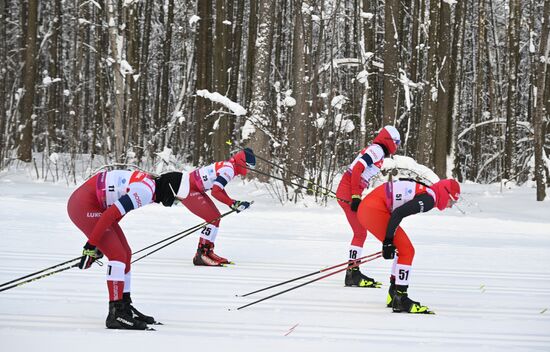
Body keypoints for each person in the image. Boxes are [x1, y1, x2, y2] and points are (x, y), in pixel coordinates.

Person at [67, 169, 185, 330]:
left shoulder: (151, 188)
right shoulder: (145, 191)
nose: (174, 203)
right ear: (169, 190)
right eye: (176, 199)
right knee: (117, 255)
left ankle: (124, 306)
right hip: (83, 204)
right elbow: (110, 214)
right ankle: (115, 313)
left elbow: (118, 212)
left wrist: (102, 242)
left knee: (125, 253)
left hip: (95, 205)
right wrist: (91, 246)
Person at [357, 178, 461, 314]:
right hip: (373, 210)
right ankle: (400, 298)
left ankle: (394, 294)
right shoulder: (429, 200)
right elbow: (398, 213)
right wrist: (388, 240)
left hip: (371, 207)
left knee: (404, 249)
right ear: (445, 193)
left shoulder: (429, 193)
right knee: (407, 251)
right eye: (451, 201)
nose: (450, 205)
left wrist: (389, 240)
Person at [336, 125, 401, 288]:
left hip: (348, 191)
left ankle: (353, 271)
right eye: (397, 142)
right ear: (389, 140)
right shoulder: (377, 150)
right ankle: (352, 273)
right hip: (348, 192)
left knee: (360, 232)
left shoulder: (377, 150)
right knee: (360, 233)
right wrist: (355, 196)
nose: (398, 146)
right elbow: (358, 168)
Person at [174, 148, 256, 266]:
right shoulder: (229, 170)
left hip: (194, 188)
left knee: (215, 217)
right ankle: (201, 254)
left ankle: (207, 251)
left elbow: (217, 189)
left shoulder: (229, 166)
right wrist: (232, 203)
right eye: (249, 167)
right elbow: (216, 192)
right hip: (188, 189)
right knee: (213, 217)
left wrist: (233, 203)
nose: (249, 171)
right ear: (243, 163)